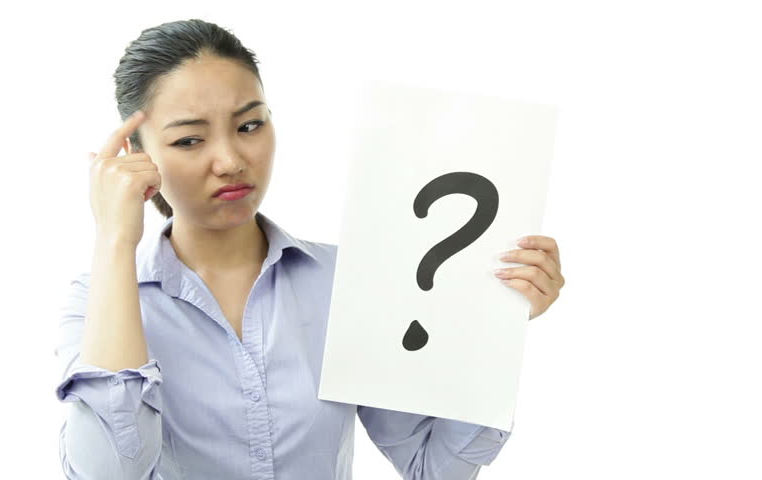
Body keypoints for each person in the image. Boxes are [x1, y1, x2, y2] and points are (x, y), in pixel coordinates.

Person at [55, 18, 565, 479]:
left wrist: (498, 324)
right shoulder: (96, 301)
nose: (231, 160)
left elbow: (431, 467)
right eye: (189, 140)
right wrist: (114, 239)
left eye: (249, 125)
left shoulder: (345, 281)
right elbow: (107, 474)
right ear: (136, 156)